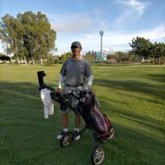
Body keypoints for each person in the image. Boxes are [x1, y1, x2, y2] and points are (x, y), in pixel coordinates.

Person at [56, 41, 94, 140]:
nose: (75, 49)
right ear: (71, 49)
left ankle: (77, 130)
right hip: (66, 89)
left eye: (76, 48)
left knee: (78, 112)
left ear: (80, 49)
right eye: (73, 48)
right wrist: (59, 86)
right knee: (64, 111)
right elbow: (62, 75)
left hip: (79, 90)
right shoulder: (67, 62)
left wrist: (88, 86)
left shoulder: (85, 63)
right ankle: (65, 130)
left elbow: (90, 75)